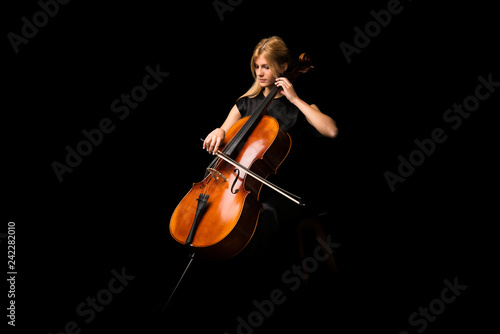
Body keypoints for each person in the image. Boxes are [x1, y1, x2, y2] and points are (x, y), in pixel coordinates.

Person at [202, 36, 338, 257]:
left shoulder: (298, 106)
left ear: (283, 67)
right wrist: (218, 132)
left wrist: (295, 99)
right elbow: (224, 131)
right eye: (257, 66)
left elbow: (331, 131)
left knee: (265, 216)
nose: (260, 72)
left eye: (266, 66)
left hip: (286, 191)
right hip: (247, 190)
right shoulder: (246, 103)